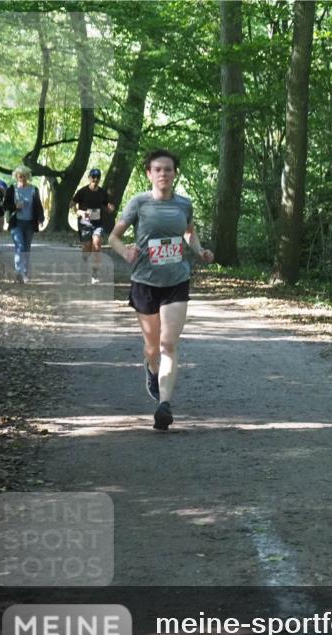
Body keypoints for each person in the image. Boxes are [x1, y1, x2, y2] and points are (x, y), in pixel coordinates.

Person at [109, 149, 214, 430]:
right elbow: (114, 236)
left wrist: (199, 250)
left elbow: (190, 232)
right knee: (152, 347)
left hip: (177, 279)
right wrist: (125, 252)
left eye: (168, 169)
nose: (163, 174)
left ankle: (164, 405)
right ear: (149, 173)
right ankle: (152, 372)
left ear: (174, 173)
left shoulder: (184, 204)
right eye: (158, 169)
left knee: (169, 344)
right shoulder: (139, 203)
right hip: (144, 281)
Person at [70, 168, 115, 283]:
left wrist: (110, 208)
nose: (95, 179)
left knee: (96, 244)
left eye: (98, 177)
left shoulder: (102, 192)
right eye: (93, 177)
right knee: (87, 247)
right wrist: (80, 212)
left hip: (98, 223)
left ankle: (95, 273)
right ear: (89, 178)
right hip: (84, 224)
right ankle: (85, 263)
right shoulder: (82, 191)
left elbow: (106, 206)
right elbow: (72, 204)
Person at [3, 166, 45, 283]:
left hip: (30, 223)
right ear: (16, 177)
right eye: (20, 176)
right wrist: (14, 207)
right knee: (20, 247)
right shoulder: (12, 189)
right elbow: (5, 205)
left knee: (26, 248)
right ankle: (19, 273)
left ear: (28, 176)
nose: (22, 178)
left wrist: (41, 219)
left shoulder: (33, 189)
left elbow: (38, 206)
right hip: (16, 223)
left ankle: (26, 273)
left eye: (24, 176)